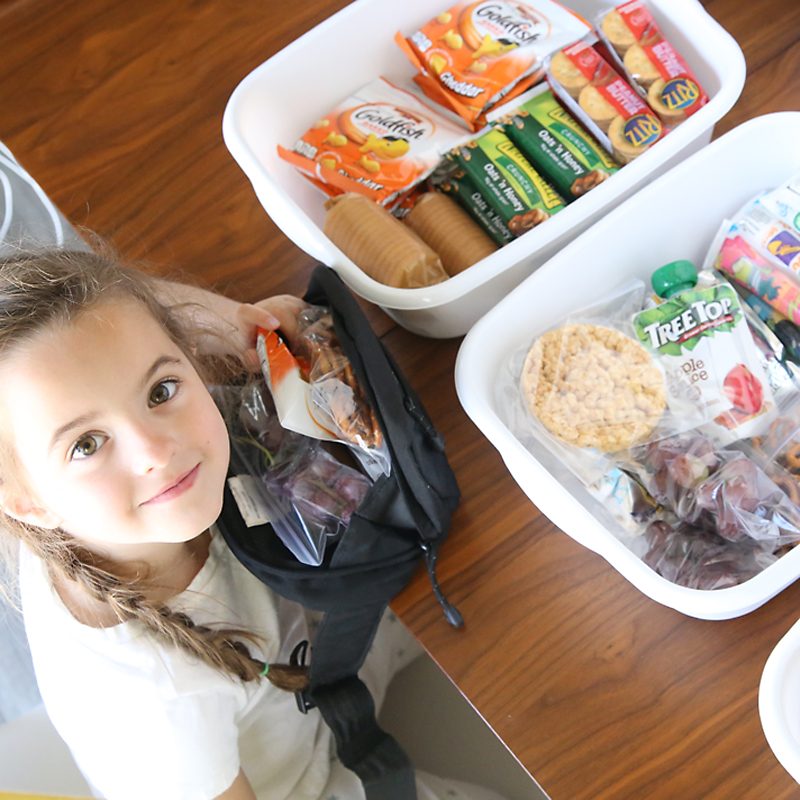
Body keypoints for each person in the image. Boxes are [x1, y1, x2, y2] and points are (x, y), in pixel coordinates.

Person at [0, 247, 508, 800]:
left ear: (188, 354)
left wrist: (239, 321)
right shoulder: (152, 704)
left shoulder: (90, 494)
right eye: (87, 444)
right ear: (25, 503)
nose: (156, 450)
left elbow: (137, 312)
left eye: (160, 390)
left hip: (329, 647)